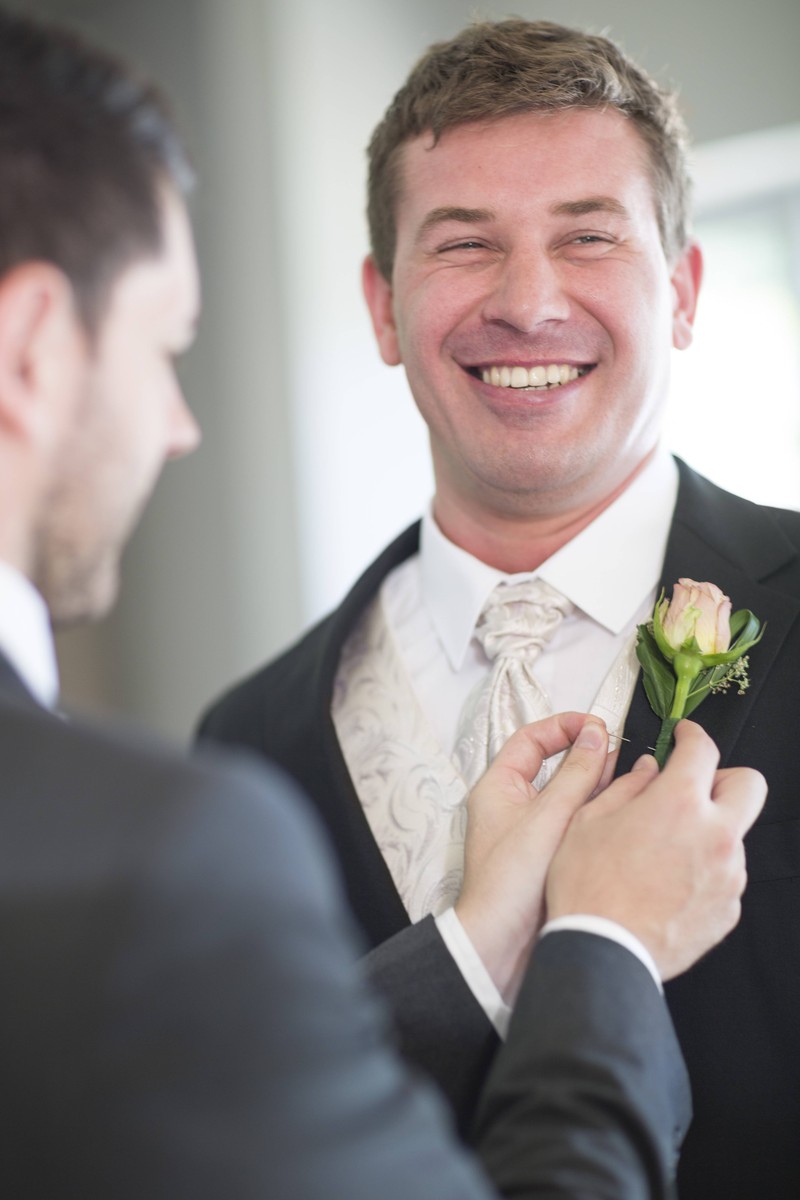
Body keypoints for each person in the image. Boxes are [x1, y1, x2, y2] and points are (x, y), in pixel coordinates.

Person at [0, 8, 767, 1197]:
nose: (526, 299)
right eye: (463, 242)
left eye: (586, 237)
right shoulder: (244, 744)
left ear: (680, 290)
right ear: (379, 305)